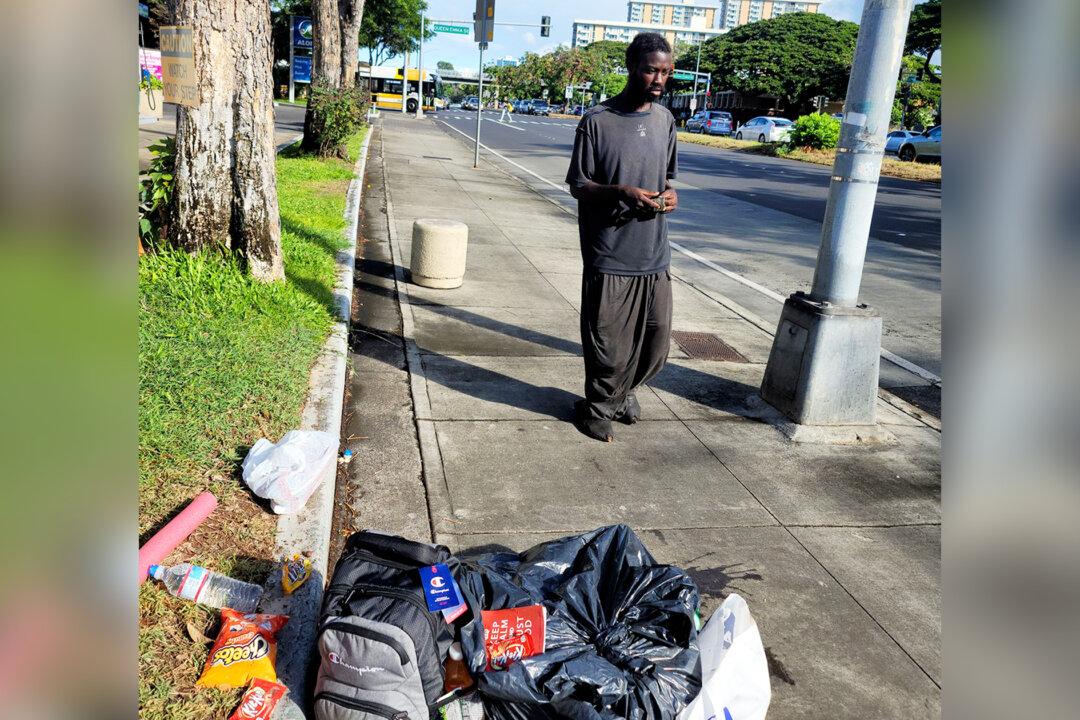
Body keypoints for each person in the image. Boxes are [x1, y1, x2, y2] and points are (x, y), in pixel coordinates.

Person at [564, 32, 678, 442]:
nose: (658, 79)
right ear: (632, 67)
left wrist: (668, 194)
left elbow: (666, 177)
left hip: (654, 253)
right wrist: (621, 192)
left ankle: (623, 392)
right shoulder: (597, 121)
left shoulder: (665, 120)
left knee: (655, 343)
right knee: (608, 345)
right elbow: (579, 184)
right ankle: (595, 407)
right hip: (610, 253)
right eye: (651, 69)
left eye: (666, 71)